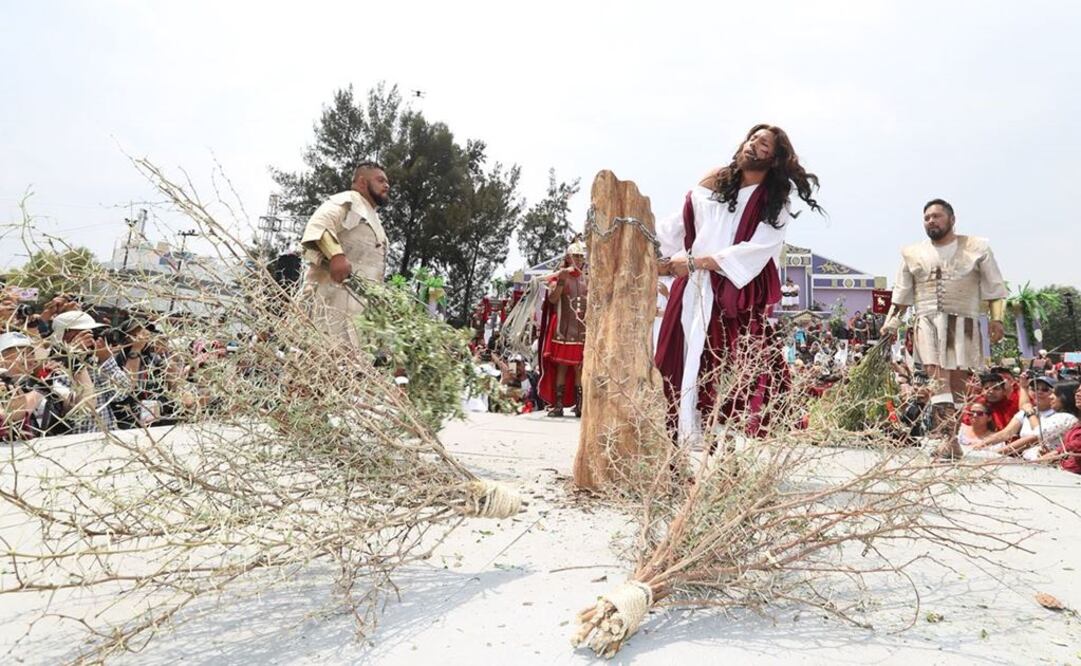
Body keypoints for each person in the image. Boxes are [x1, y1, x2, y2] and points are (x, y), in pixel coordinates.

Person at [654, 124, 822, 442]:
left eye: (763, 144)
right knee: (675, 365)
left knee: (727, 377)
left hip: (732, 300)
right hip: (689, 291)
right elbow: (674, 229)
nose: (752, 145)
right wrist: (645, 247)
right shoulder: (714, 183)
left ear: (774, 159)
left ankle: (720, 451)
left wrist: (695, 263)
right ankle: (676, 442)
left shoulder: (774, 204)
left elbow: (755, 252)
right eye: (752, 139)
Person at [881, 199, 1008, 442]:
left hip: (965, 321)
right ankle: (947, 439)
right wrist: (891, 323)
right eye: (927, 217)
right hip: (927, 321)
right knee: (937, 378)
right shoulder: (912, 253)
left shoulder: (977, 247)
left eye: (936, 216)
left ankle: (951, 440)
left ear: (952, 219)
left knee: (958, 384)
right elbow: (902, 294)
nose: (931, 221)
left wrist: (997, 320)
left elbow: (995, 286)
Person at [299, 162, 391, 348]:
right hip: (328, 305)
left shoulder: (373, 218)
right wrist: (336, 255)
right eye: (380, 180)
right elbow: (320, 224)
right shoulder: (349, 201)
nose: (387, 185)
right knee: (318, 357)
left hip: (356, 314)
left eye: (387, 182)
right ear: (362, 182)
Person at [47, 310, 132, 434]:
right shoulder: (52, 367)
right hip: (77, 440)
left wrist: (105, 360)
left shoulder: (94, 361)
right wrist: (75, 359)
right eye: (84, 332)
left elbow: (122, 394)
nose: (92, 337)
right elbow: (81, 411)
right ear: (65, 335)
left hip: (106, 435)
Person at [537, 240, 588, 417]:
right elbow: (552, 299)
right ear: (568, 257)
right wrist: (561, 281)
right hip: (563, 329)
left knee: (579, 369)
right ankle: (558, 405)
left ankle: (580, 406)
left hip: (582, 331)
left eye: (581, 256)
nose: (578, 259)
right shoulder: (559, 276)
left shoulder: (587, 278)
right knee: (561, 368)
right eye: (575, 256)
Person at [970, 377, 1077, 459]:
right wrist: (980, 445)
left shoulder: (1064, 417)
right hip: (1027, 460)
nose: (1038, 392)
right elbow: (1006, 433)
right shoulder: (1025, 411)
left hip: (1041, 464)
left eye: (1045, 390)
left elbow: (1034, 438)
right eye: (1034, 388)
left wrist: (994, 455)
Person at [1054, 384, 1081, 474]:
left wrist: (1042, 459)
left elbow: (1070, 448)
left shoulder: (1067, 418)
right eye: (1077, 391)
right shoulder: (1077, 424)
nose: (1078, 394)